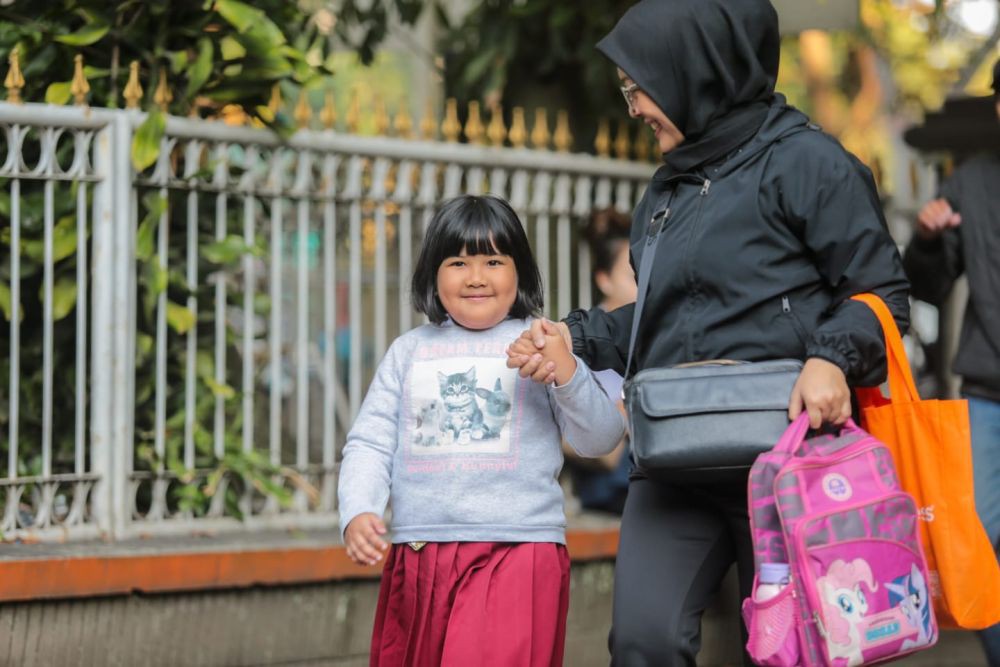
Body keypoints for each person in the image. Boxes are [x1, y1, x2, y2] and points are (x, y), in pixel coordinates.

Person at [506, 1, 910, 664]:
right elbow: (665, 314)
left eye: (641, 85)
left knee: (799, 651)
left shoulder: (807, 162)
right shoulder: (666, 189)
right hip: (674, 461)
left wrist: (832, 360)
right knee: (643, 641)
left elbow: (882, 295)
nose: (633, 106)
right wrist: (576, 338)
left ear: (701, 69)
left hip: (789, 460)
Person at [338, 194, 625, 666]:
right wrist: (358, 509)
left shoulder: (541, 341)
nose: (475, 277)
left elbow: (601, 438)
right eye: (457, 262)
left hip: (518, 550)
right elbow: (370, 441)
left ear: (521, 272)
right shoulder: (408, 351)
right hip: (421, 551)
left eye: (493, 260)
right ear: (433, 273)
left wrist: (568, 373)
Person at [902, 59, 1000, 666]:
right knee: (980, 541)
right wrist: (928, 241)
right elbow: (928, 289)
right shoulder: (970, 183)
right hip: (988, 393)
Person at [562, 208, 636, 515]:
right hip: (609, 477)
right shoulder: (580, 337)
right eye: (634, 277)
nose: (644, 287)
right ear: (603, 280)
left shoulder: (658, 330)